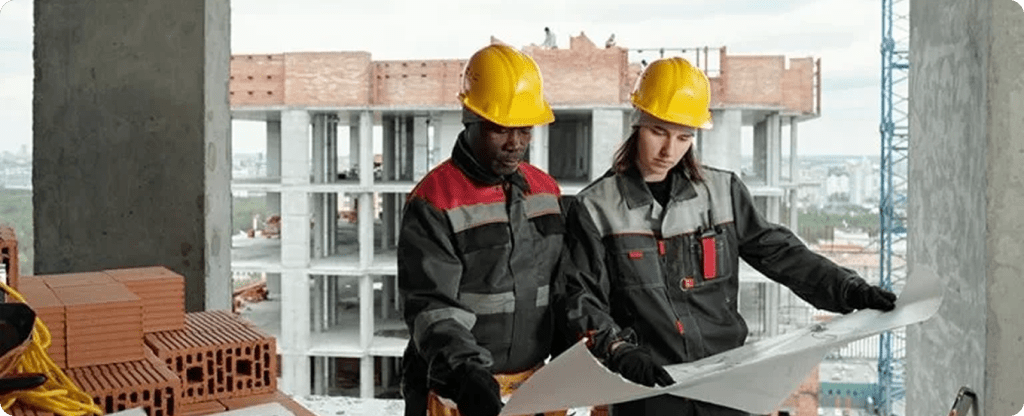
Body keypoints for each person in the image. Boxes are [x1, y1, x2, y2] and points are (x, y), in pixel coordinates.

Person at [555, 57, 898, 416]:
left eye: (683, 136)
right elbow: (582, 298)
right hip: (651, 391)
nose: (668, 151)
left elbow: (783, 254)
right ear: (637, 121)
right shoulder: (595, 208)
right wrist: (619, 350)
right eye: (658, 131)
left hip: (727, 387)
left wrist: (849, 289)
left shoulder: (723, 192)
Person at [398, 44, 567, 416]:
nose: (515, 143)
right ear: (470, 118)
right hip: (455, 391)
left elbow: (562, 289)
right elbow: (431, 306)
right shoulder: (435, 200)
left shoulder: (546, 192)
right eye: (500, 129)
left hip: (533, 387)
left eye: (524, 129)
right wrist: (466, 371)